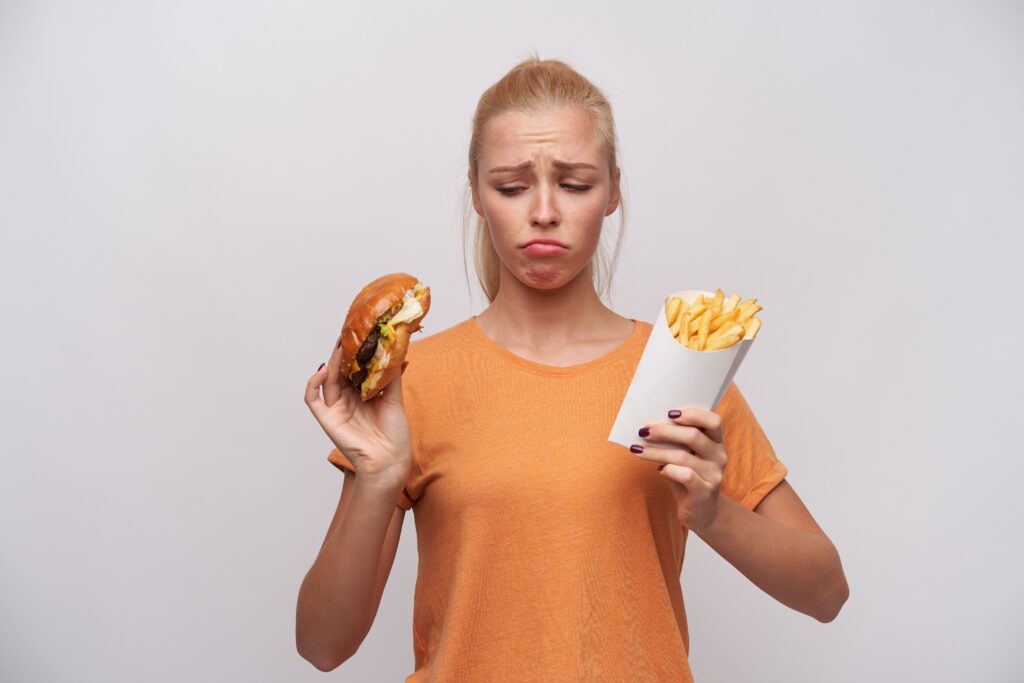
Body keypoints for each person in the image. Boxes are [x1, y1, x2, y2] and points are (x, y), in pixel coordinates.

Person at [296, 56, 849, 681]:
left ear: (613, 191)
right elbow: (322, 645)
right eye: (511, 187)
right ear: (478, 194)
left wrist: (715, 515)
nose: (543, 211)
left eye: (576, 184)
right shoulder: (410, 383)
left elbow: (826, 592)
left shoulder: (682, 370)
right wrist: (376, 478)